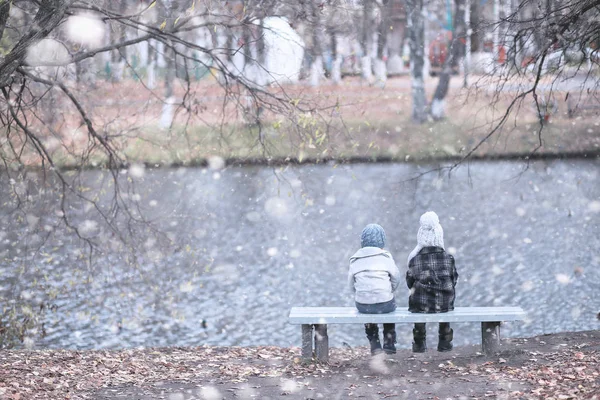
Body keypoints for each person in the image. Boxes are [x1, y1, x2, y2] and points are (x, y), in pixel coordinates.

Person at [406, 211, 458, 353]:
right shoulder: (448, 258)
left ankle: (419, 343)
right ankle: (445, 341)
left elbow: (409, 283)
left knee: (418, 302)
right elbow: (454, 280)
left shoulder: (414, 260)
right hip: (444, 303)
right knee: (445, 301)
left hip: (421, 304)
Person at [348, 224, 400, 355]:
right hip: (385, 303)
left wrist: (362, 294)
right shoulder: (386, 258)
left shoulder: (355, 260)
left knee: (368, 312)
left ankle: (374, 343)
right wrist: (388, 291)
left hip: (363, 305)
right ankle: (389, 343)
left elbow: (351, 285)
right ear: (382, 242)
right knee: (390, 310)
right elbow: (396, 279)